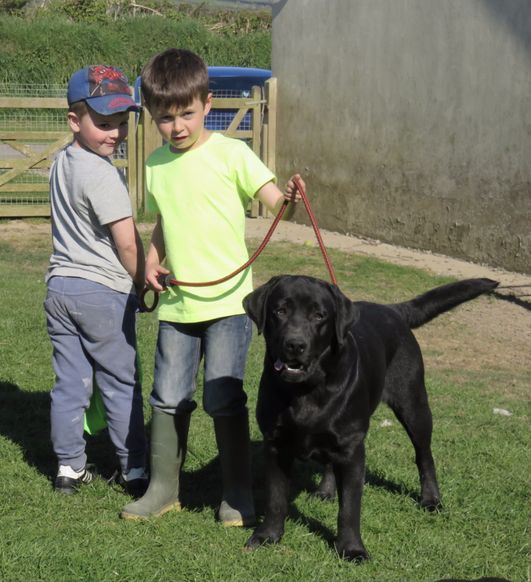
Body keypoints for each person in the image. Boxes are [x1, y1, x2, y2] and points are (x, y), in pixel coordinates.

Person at [120, 48, 303, 525]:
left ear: (206, 102)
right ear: (151, 114)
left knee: (224, 397)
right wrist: (152, 262)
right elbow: (165, 220)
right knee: (167, 396)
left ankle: (237, 494)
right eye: (165, 117)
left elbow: (274, 202)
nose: (177, 126)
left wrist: (290, 198)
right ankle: (162, 490)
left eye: (186, 113)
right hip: (179, 305)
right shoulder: (157, 164)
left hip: (229, 304)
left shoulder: (232, 153)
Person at [44, 65, 147, 496]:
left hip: (59, 288)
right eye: (104, 123)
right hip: (101, 292)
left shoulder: (59, 164)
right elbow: (126, 243)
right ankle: (135, 468)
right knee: (120, 381)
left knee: (71, 381)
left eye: (122, 123)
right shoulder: (102, 174)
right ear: (74, 120)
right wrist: (143, 281)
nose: (115, 134)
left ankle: (69, 466)